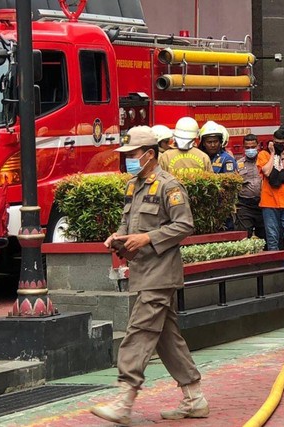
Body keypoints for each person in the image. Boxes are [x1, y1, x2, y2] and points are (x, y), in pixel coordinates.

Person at [91, 126, 208, 424]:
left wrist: (147, 239)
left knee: (140, 331)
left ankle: (125, 399)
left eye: (133, 155)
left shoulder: (169, 186)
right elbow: (127, 224)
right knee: (167, 338)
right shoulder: (134, 185)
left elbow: (184, 225)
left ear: (150, 155)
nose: (128, 160)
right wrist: (117, 238)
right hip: (143, 272)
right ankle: (195, 398)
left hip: (161, 273)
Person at [257, 128, 284, 266]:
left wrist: (283, 156)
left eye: (282, 143)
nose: (279, 145)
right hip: (269, 201)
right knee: (272, 236)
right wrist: (272, 154)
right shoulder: (263, 154)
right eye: (276, 142)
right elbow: (266, 171)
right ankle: (275, 266)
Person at [235, 133, 265, 240]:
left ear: (258, 146)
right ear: (243, 148)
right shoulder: (238, 164)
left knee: (264, 237)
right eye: (247, 147)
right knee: (244, 237)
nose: (250, 150)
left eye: (253, 147)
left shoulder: (265, 161)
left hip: (263, 205)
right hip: (245, 205)